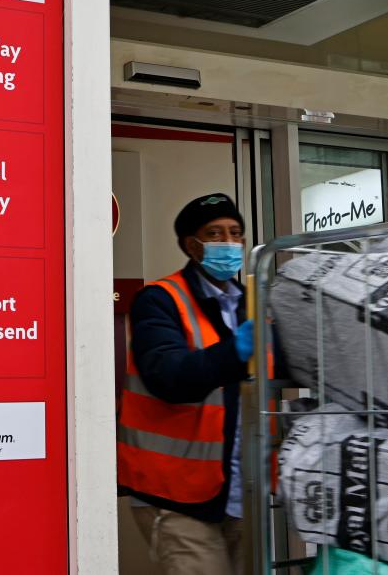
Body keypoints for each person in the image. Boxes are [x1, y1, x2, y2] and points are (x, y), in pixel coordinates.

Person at [117, 192, 258, 575]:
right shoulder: (159, 300)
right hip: (176, 494)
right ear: (190, 245)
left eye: (235, 233)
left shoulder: (254, 302)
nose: (229, 242)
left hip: (245, 489)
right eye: (214, 234)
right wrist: (236, 351)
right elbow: (170, 377)